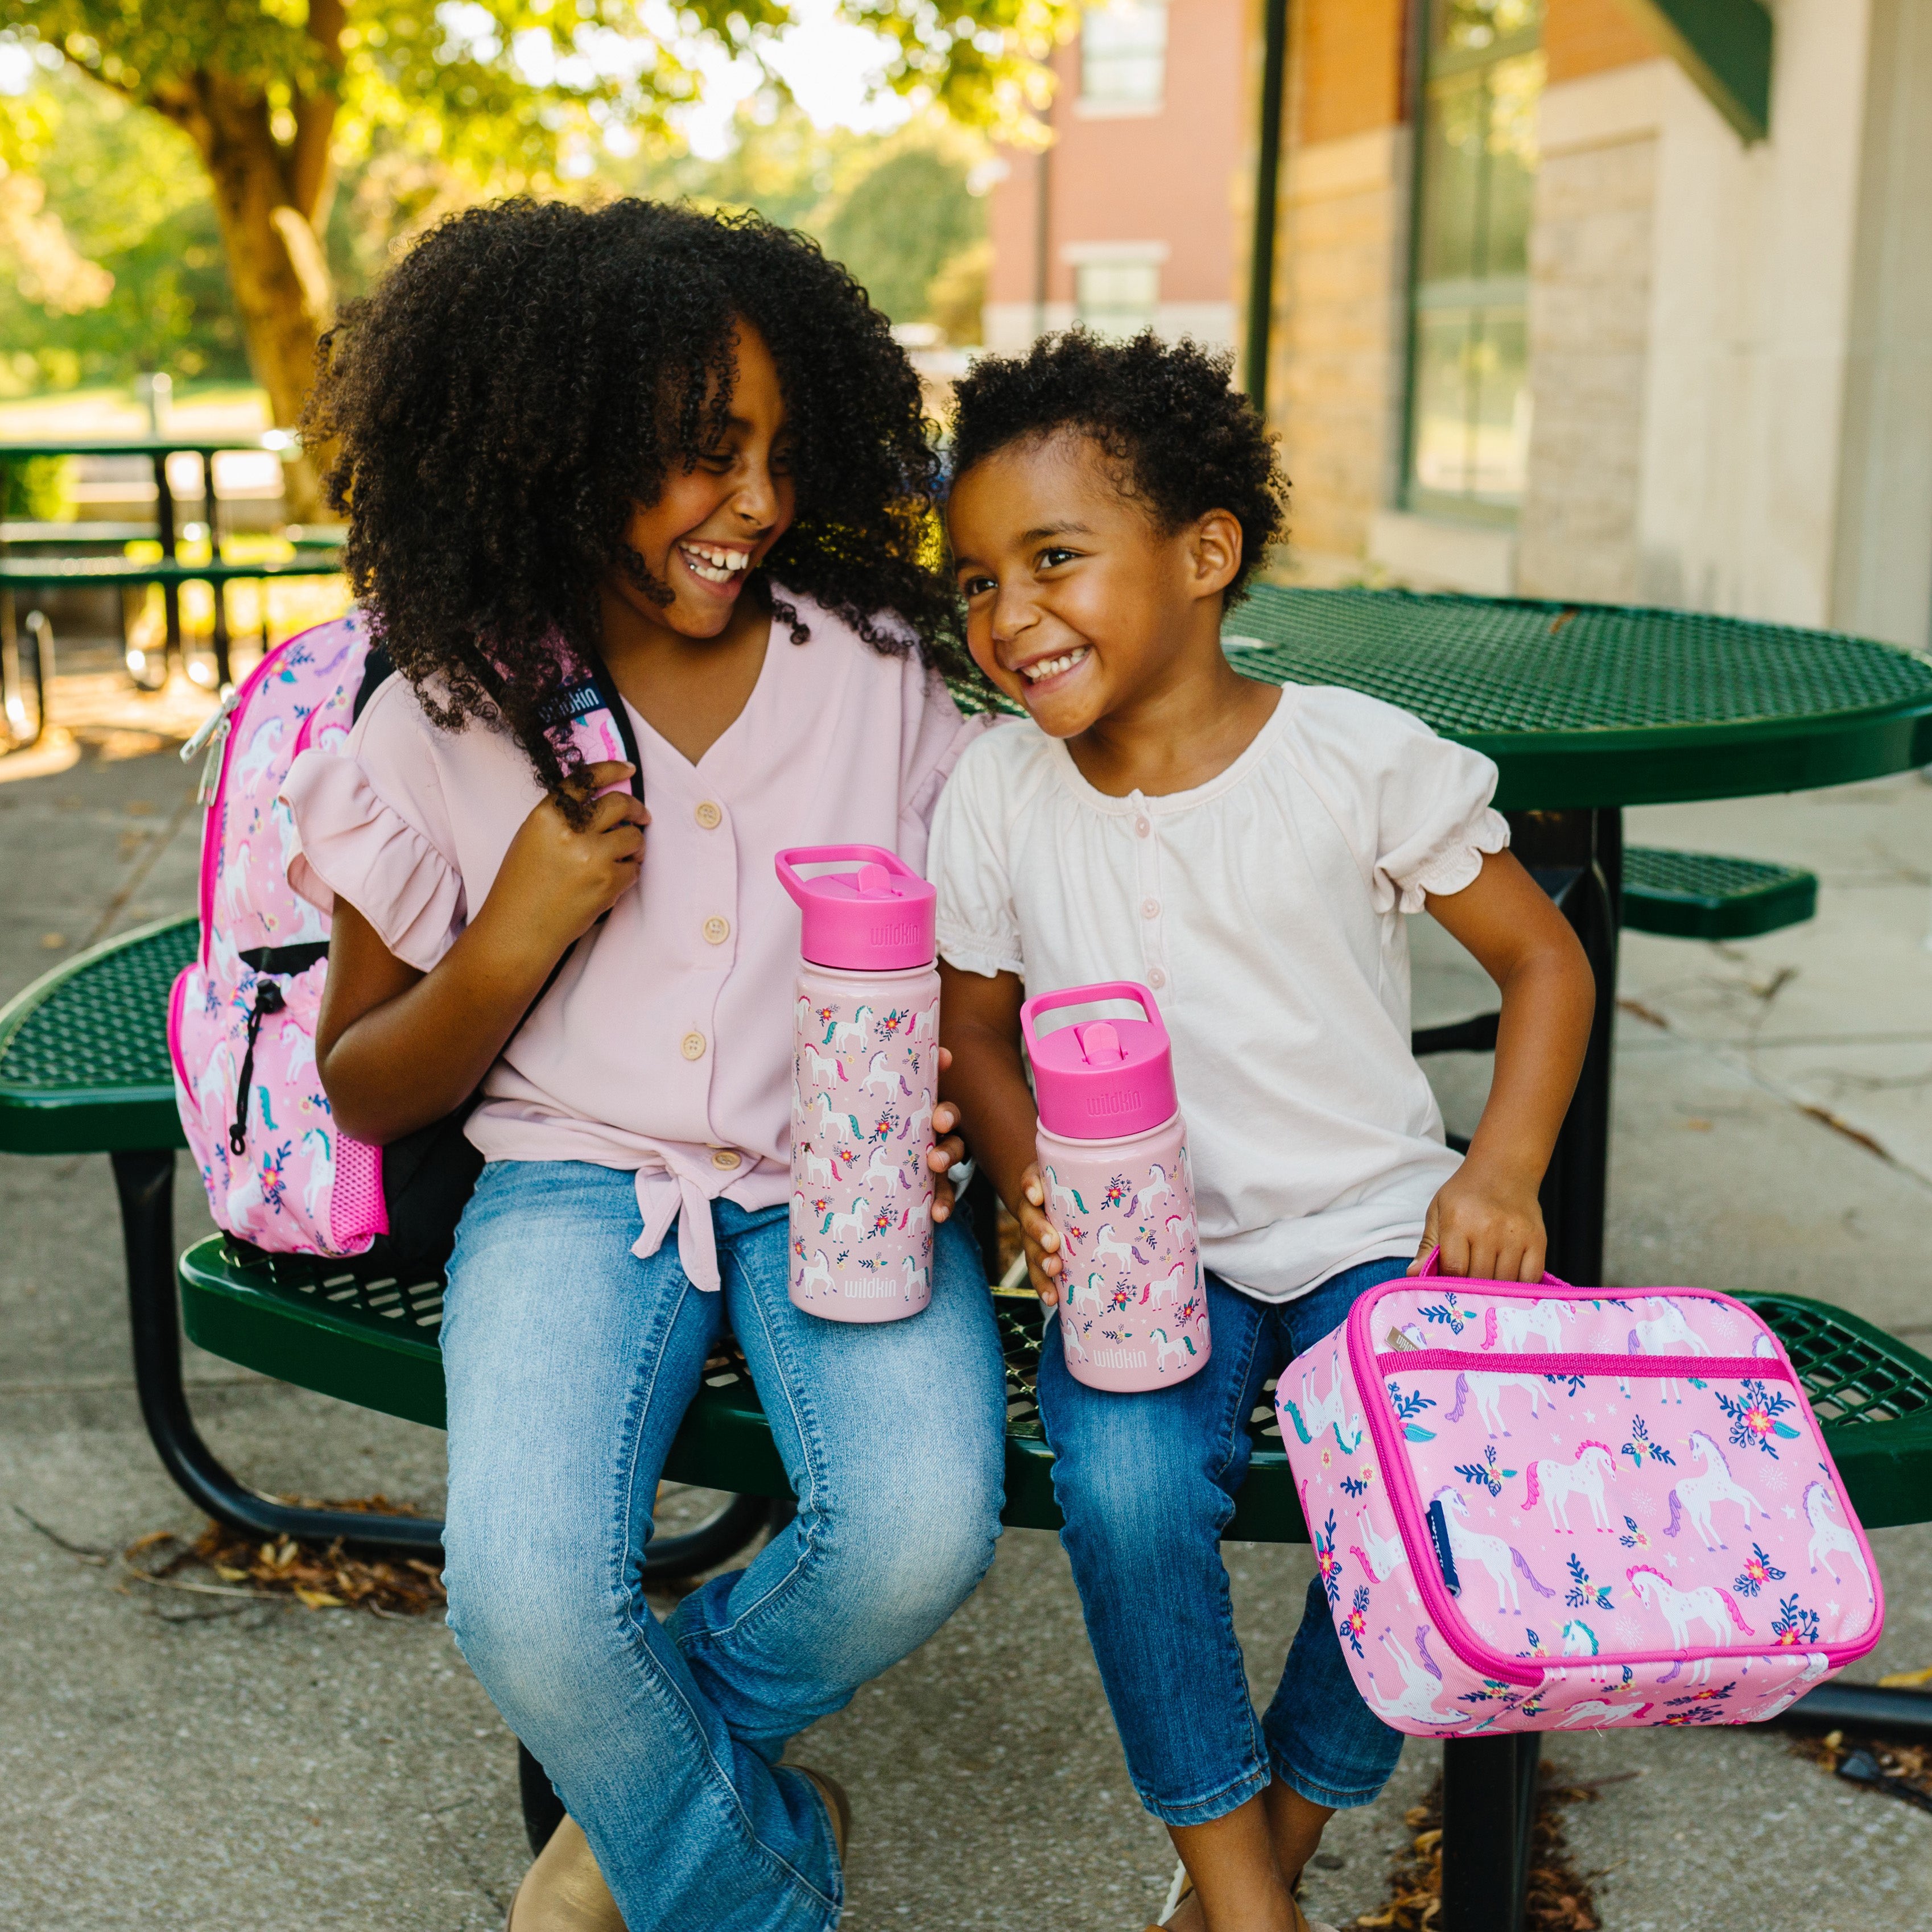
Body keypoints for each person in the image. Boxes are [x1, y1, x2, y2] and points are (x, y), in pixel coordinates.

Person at [284, 199, 1007, 1931]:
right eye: (699, 456)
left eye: (771, 451)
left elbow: (986, 950)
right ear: (548, 455)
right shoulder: (448, 710)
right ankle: (751, 1881)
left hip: (834, 1183)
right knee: (525, 1601)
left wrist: (957, 1121)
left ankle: (620, 1825)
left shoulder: (880, 672)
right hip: (565, 1187)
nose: (755, 501)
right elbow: (368, 1084)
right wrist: (520, 925)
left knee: (915, 1527)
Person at [930, 332, 1595, 1932]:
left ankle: (1258, 1863)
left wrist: (1496, 1172)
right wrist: (1027, 1173)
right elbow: (968, 1021)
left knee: (1440, 1483)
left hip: (1373, 1227)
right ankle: (1241, 1889)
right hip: (1144, 1254)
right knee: (1126, 1487)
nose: (1008, 616)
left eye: (1054, 560)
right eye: (971, 581)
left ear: (1206, 553)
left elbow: (1541, 960)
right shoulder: (998, 795)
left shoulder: (1354, 758)